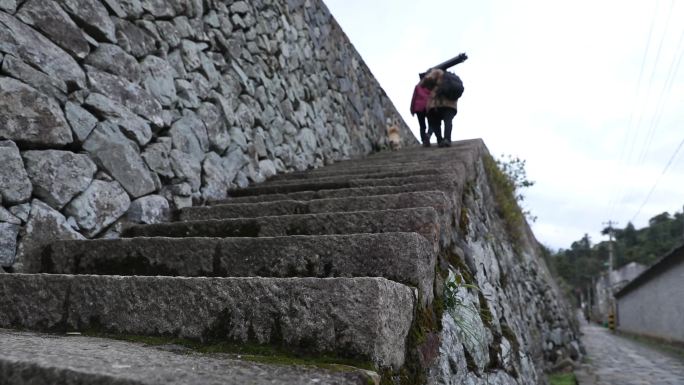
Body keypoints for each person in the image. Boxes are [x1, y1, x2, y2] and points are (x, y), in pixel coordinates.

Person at [420, 53, 467, 147]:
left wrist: (426, 75)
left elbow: (424, 83)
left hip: (437, 104)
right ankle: (447, 139)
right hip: (451, 105)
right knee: (448, 122)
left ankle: (440, 140)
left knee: (435, 122)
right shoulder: (452, 76)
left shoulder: (437, 72)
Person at [410, 72, 431, 146]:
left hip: (418, 108)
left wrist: (412, 109)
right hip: (428, 107)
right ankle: (428, 135)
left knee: (422, 125)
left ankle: (424, 140)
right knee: (431, 123)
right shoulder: (430, 86)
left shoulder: (417, 87)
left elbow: (414, 99)